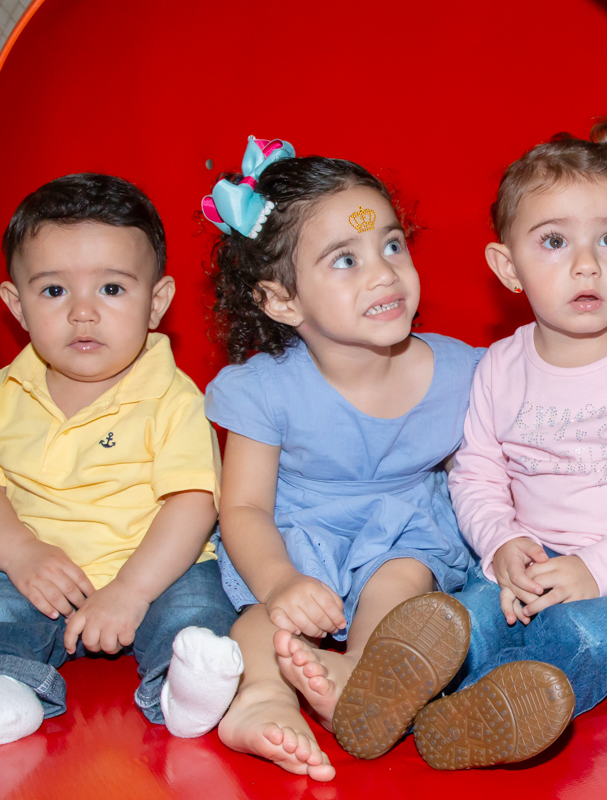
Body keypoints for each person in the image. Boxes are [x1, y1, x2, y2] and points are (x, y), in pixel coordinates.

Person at [0, 174, 240, 750]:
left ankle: (183, 691)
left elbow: (192, 502)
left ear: (156, 303)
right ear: (16, 305)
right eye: (54, 291)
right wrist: (22, 555)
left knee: (202, 610)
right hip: (46, 576)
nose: (82, 313)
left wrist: (131, 589)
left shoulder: (173, 396)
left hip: (157, 568)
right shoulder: (4, 393)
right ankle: (3, 696)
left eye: (111, 289)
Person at [420, 120, 607, 770]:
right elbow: (473, 475)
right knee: (467, 615)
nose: (586, 263)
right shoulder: (500, 367)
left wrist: (598, 569)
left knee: (588, 633)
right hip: (534, 560)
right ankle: (422, 683)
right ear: (508, 266)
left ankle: (493, 713)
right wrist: (501, 545)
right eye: (554, 241)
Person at [200, 137, 480, 781]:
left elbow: (496, 467)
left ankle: (359, 672)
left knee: (404, 578)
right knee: (262, 621)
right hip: (299, 534)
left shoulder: (464, 372)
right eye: (345, 260)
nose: (384, 273)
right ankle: (264, 701)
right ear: (282, 301)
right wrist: (279, 582)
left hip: (405, 528)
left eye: (392, 244)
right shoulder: (266, 389)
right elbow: (242, 506)